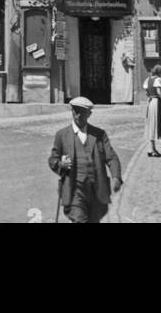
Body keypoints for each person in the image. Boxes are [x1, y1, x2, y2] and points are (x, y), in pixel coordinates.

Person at [48, 96, 123, 224]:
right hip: (74, 190)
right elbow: (53, 160)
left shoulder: (99, 134)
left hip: (97, 190)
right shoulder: (62, 135)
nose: (77, 115)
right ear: (71, 111)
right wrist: (62, 164)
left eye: (82, 112)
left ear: (89, 114)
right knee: (80, 219)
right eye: (75, 111)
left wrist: (116, 177)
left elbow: (111, 157)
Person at [143, 66, 161, 157]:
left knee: (150, 124)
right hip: (156, 102)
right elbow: (159, 92)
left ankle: (151, 148)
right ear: (160, 72)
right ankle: (152, 150)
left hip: (150, 102)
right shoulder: (158, 80)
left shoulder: (148, 80)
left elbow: (146, 92)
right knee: (154, 124)